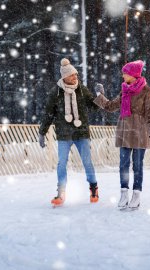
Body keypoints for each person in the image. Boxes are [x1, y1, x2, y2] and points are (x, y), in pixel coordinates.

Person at [94, 60, 150, 210]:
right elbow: (110, 106)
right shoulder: (124, 90)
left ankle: (136, 195)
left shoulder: (146, 91)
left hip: (140, 134)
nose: (123, 75)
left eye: (125, 73)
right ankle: (124, 193)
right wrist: (100, 95)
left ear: (134, 74)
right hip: (124, 132)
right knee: (123, 165)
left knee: (137, 166)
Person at [39, 58, 99, 207]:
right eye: (72, 75)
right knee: (61, 163)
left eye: (76, 75)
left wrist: (100, 96)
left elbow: (94, 106)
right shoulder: (56, 92)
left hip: (81, 132)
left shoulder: (82, 89)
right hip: (64, 134)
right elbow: (48, 114)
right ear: (64, 76)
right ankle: (61, 192)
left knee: (87, 162)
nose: (75, 77)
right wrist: (42, 132)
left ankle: (93, 188)